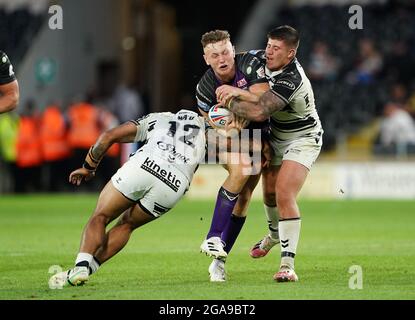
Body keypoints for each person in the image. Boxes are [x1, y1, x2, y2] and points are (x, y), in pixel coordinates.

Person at [49, 109, 206, 287]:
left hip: (146, 164)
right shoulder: (206, 132)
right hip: (175, 183)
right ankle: (86, 269)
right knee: (127, 225)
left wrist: (89, 167)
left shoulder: (160, 118)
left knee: (101, 216)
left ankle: (81, 266)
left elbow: (109, 136)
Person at [219, 26, 324, 282]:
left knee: (284, 192)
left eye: (276, 49)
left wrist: (231, 99)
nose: (268, 52)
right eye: (268, 45)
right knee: (268, 195)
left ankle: (287, 266)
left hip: (303, 138)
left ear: (290, 54)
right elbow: (233, 62)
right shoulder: (258, 58)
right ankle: (275, 235)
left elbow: (260, 111)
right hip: (275, 136)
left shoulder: (292, 78)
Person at [195, 30, 272, 282]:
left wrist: (234, 92)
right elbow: (212, 126)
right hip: (227, 138)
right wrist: (229, 130)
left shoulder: (249, 65)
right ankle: (213, 235)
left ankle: (218, 261)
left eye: (225, 52)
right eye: (214, 55)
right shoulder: (205, 87)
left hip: (259, 136)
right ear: (206, 59)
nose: (222, 58)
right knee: (240, 169)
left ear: (233, 50)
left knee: (245, 197)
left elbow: (264, 102)